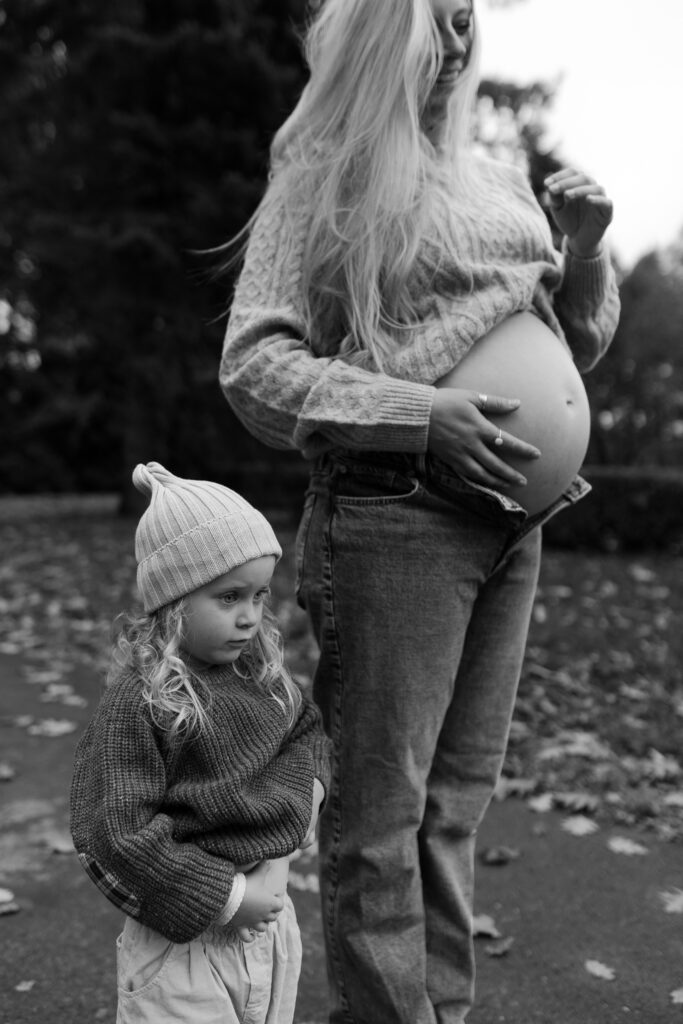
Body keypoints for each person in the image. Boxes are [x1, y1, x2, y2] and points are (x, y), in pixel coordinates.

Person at [219, 1, 620, 1021]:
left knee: (451, 808)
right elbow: (253, 365)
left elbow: (571, 348)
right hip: (397, 516)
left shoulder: (493, 183)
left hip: (512, 527)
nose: (453, 41)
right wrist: (418, 414)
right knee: (379, 815)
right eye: (429, 20)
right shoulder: (324, 174)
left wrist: (582, 254)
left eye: (463, 18)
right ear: (377, 28)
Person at [70, 461, 332, 1024]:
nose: (250, 618)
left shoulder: (259, 675)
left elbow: (306, 734)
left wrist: (302, 811)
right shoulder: (141, 702)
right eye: (229, 597)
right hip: (183, 942)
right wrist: (229, 898)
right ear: (174, 599)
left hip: (269, 927)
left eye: (259, 595)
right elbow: (116, 834)